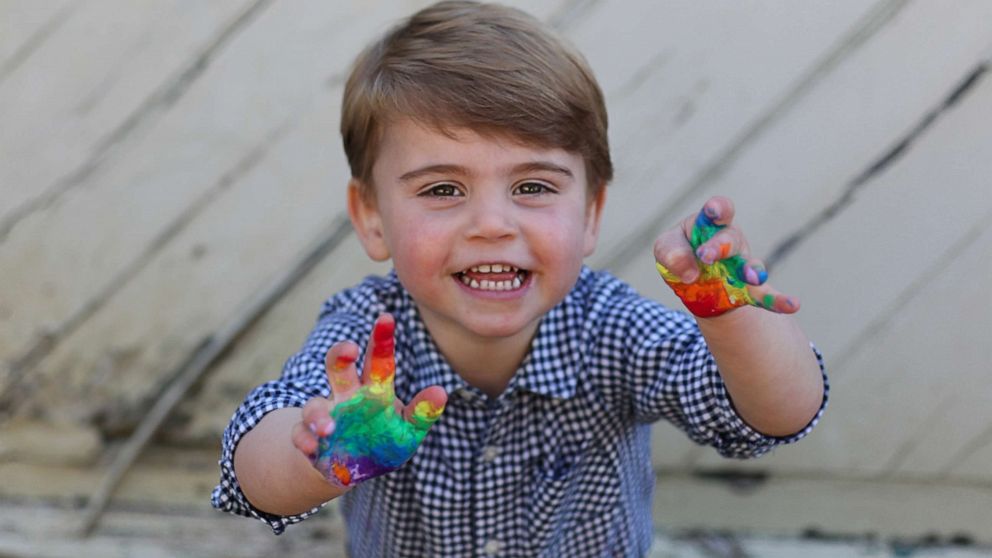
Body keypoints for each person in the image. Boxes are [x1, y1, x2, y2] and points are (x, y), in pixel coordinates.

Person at [212, 1, 828, 556]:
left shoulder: (613, 328)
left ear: (589, 214)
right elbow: (250, 474)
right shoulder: (365, 341)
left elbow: (772, 416)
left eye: (532, 187)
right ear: (371, 217)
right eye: (443, 189)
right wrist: (325, 458)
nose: (491, 224)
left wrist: (731, 318)